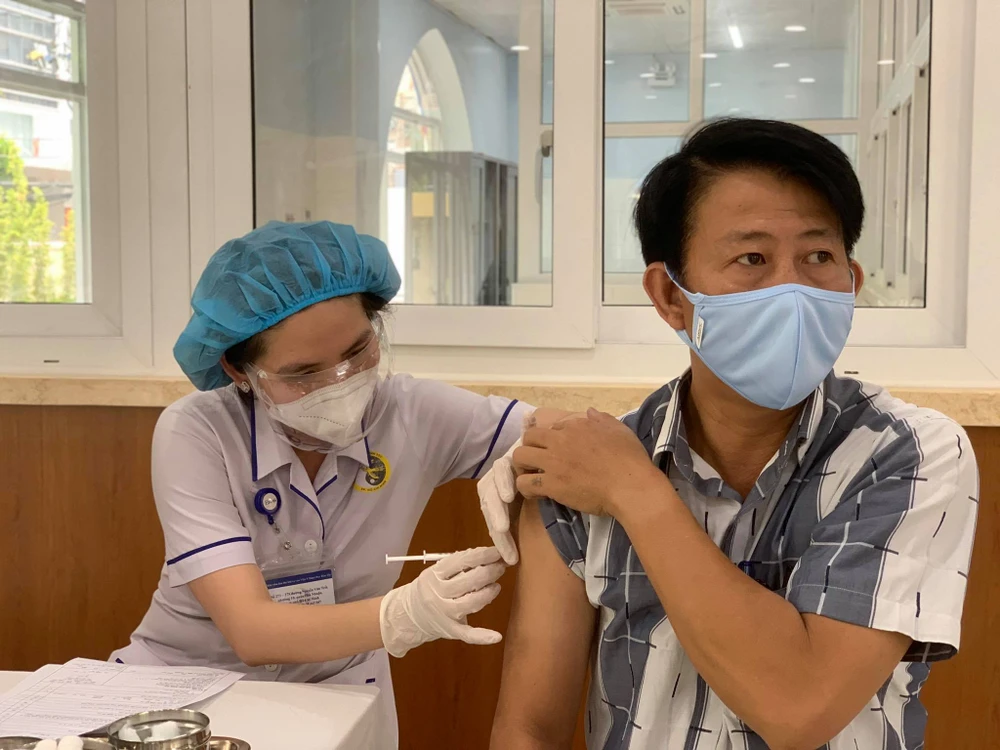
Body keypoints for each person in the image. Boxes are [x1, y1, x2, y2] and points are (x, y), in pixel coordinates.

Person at [486, 119, 980, 750]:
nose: (792, 288)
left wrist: (634, 491)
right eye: (752, 258)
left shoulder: (908, 452)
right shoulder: (578, 471)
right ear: (671, 296)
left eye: (818, 257)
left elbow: (801, 705)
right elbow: (530, 727)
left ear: (852, 283)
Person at [111, 221, 554, 740]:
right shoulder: (198, 431)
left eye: (358, 351)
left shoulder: (412, 412)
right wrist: (404, 614)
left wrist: (529, 451)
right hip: (185, 699)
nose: (341, 383)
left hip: (337, 693)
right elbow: (252, 631)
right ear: (237, 370)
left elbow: (586, 440)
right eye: (304, 374)